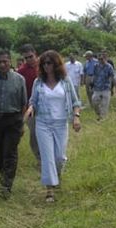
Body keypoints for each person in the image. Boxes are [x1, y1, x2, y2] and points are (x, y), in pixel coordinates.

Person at [24, 50, 81, 203]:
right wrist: (30, 109)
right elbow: (33, 101)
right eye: (44, 63)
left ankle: (57, 176)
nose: (47, 66)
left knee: (59, 157)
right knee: (47, 157)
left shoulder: (65, 81)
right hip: (43, 123)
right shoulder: (38, 82)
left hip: (61, 123)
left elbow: (76, 103)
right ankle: (50, 189)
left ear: (56, 64)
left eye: (50, 63)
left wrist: (76, 118)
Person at [0, 49, 27, 199]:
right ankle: (1, 179)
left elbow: (23, 103)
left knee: (10, 152)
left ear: (10, 62)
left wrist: (22, 124)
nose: (2, 64)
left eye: (5, 61)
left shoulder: (19, 79)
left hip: (13, 120)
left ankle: (7, 185)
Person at [17, 44, 40, 165]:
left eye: (31, 56)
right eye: (26, 58)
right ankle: (39, 157)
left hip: (46, 106)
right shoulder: (21, 71)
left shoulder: (44, 65)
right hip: (30, 108)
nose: (29, 60)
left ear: (35, 53)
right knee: (34, 133)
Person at [91, 52, 116, 121]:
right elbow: (94, 75)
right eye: (99, 59)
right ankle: (99, 114)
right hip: (97, 88)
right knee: (94, 102)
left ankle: (102, 119)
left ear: (105, 58)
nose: (101, 60)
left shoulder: (109, 67)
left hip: (106, 88)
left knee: (104, 105)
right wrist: (92, 83)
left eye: (102, 59)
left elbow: (113, 78)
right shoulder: (96, 66)